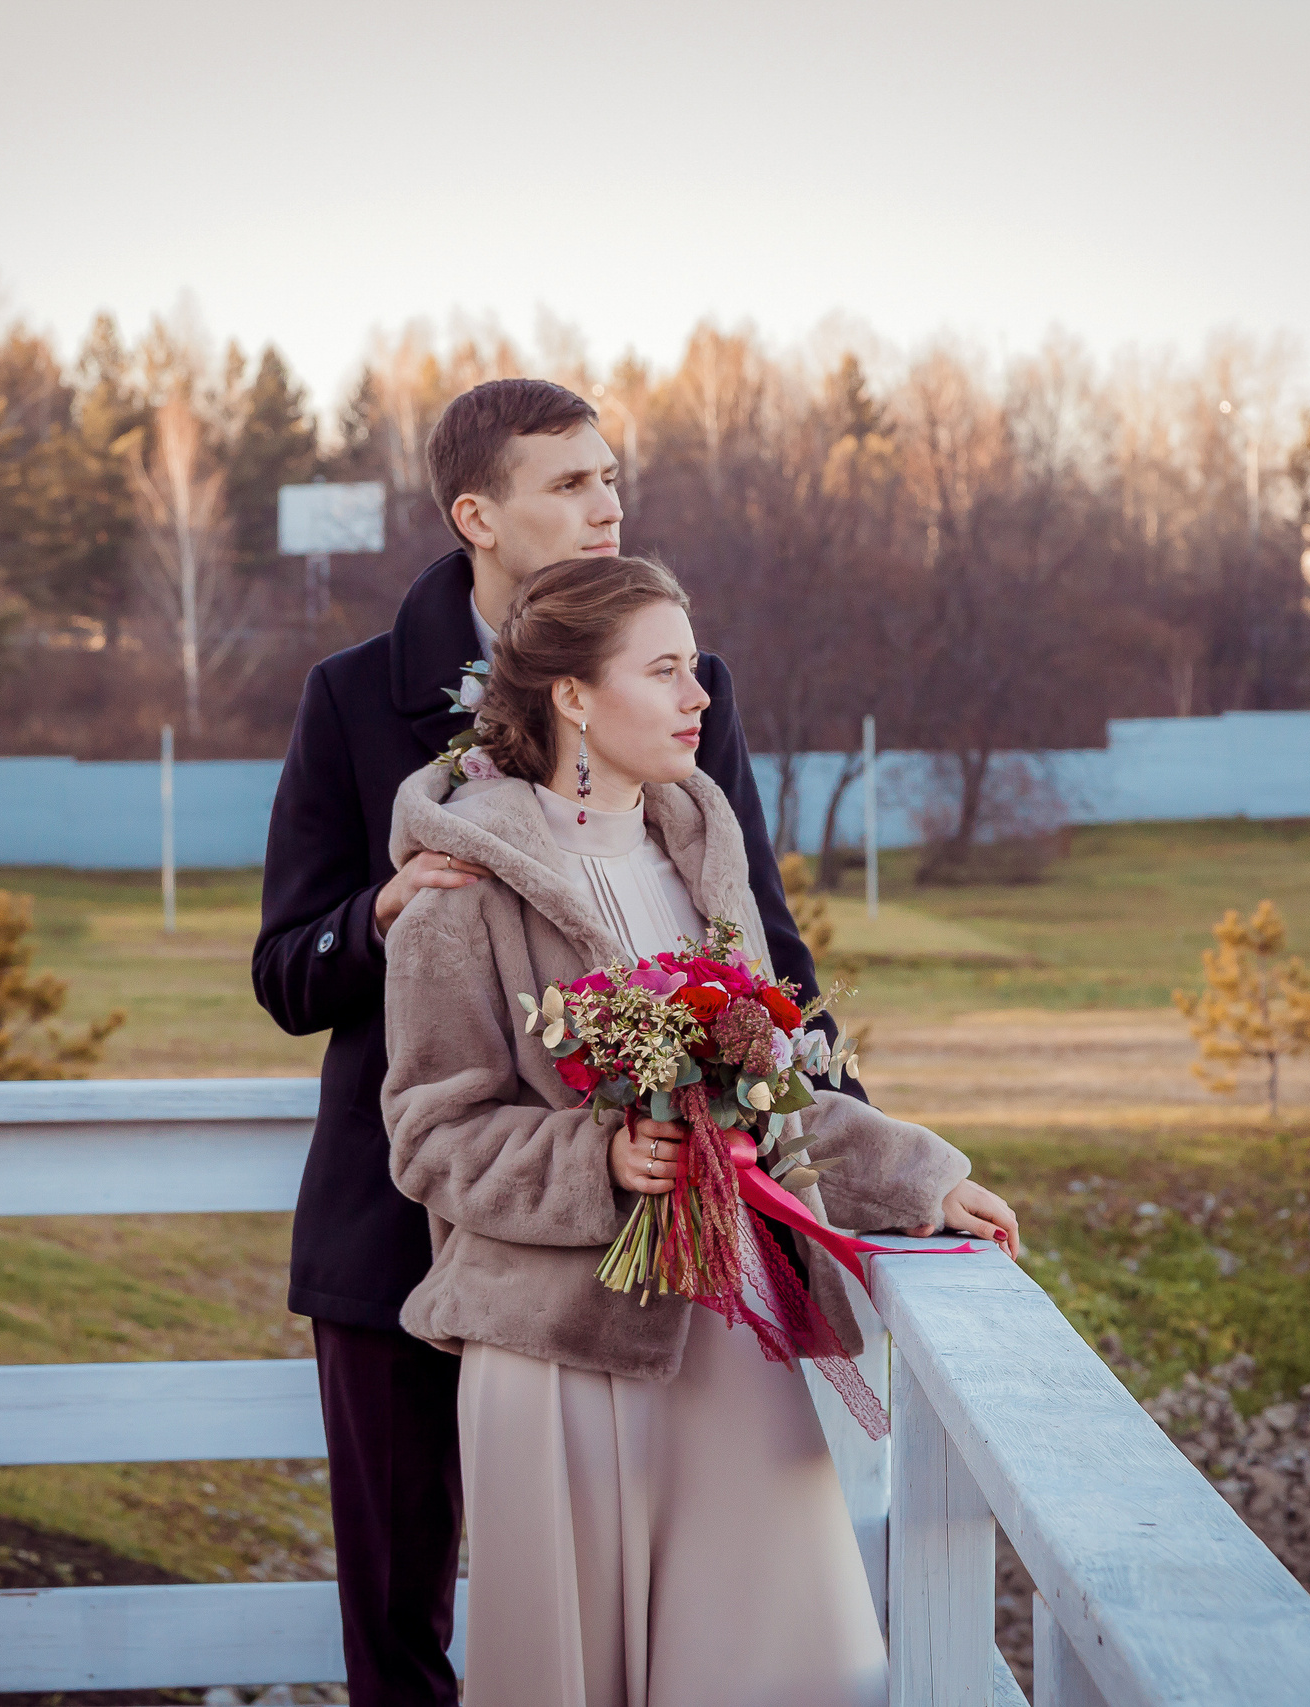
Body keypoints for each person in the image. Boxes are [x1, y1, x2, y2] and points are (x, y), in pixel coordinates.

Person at [251, 378, 851, 1704]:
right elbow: (286, 969)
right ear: (477, 512)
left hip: (633, 1244)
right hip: (398, 1219)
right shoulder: (353, 697)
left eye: (610, 475)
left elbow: (757, 946)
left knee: (646, 1615)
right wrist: (385, 908)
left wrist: (843, 1147)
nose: (605, 501)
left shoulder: (684, 685)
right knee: (403, 1622)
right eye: (570, 481)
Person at [379, 555, 1019, 1707]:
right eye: (664, 670)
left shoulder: (699, 844)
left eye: (693, 667)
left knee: (788, 1664)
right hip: (557, 1352)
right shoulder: (458, 885)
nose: (698, 696)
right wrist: (600, 1160)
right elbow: (431, 1135)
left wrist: (916, 1177)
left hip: (731, 1330)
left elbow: (763, 1082)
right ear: (573, 694)